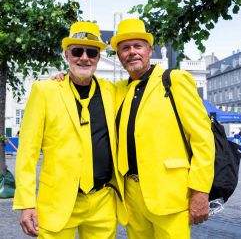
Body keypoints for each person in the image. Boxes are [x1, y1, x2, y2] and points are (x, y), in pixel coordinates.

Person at [13, 21, 127, 239]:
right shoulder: (44, 90)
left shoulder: (112, 91)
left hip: (102, 201)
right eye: (77, 51)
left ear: (98, 58)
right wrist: (26, 203)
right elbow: (27, 151)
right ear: (66, 55)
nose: (84, 57)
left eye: (91, 52)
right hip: (56, 201)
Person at [110, 18, 215, 239]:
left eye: (138, 46)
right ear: (119, 56)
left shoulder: (174, 80)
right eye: (125, 48)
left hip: (170, 194)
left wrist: (200, 192)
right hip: (131, 195)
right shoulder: (118, 90)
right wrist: (61, 80)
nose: (132, 52)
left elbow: (202, 138)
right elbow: (87, 86)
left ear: (149, 50)